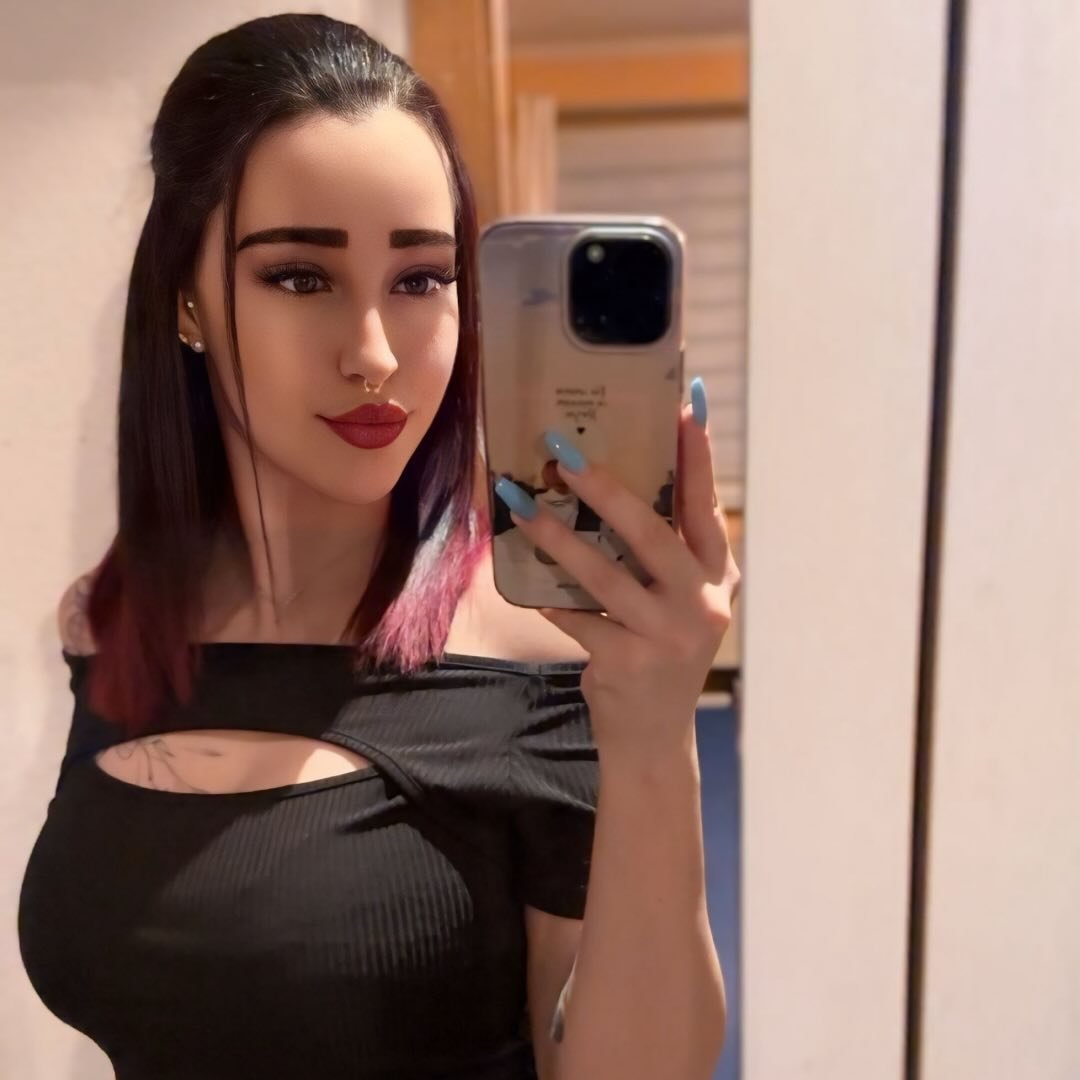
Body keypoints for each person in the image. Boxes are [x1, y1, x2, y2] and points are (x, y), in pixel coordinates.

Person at [17, 15, 740, 1080]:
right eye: (300, 277)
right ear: (186, 300)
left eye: (420, 279)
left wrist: (654, 730)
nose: (374, 355)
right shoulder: (110, 618)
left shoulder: (540, 650)